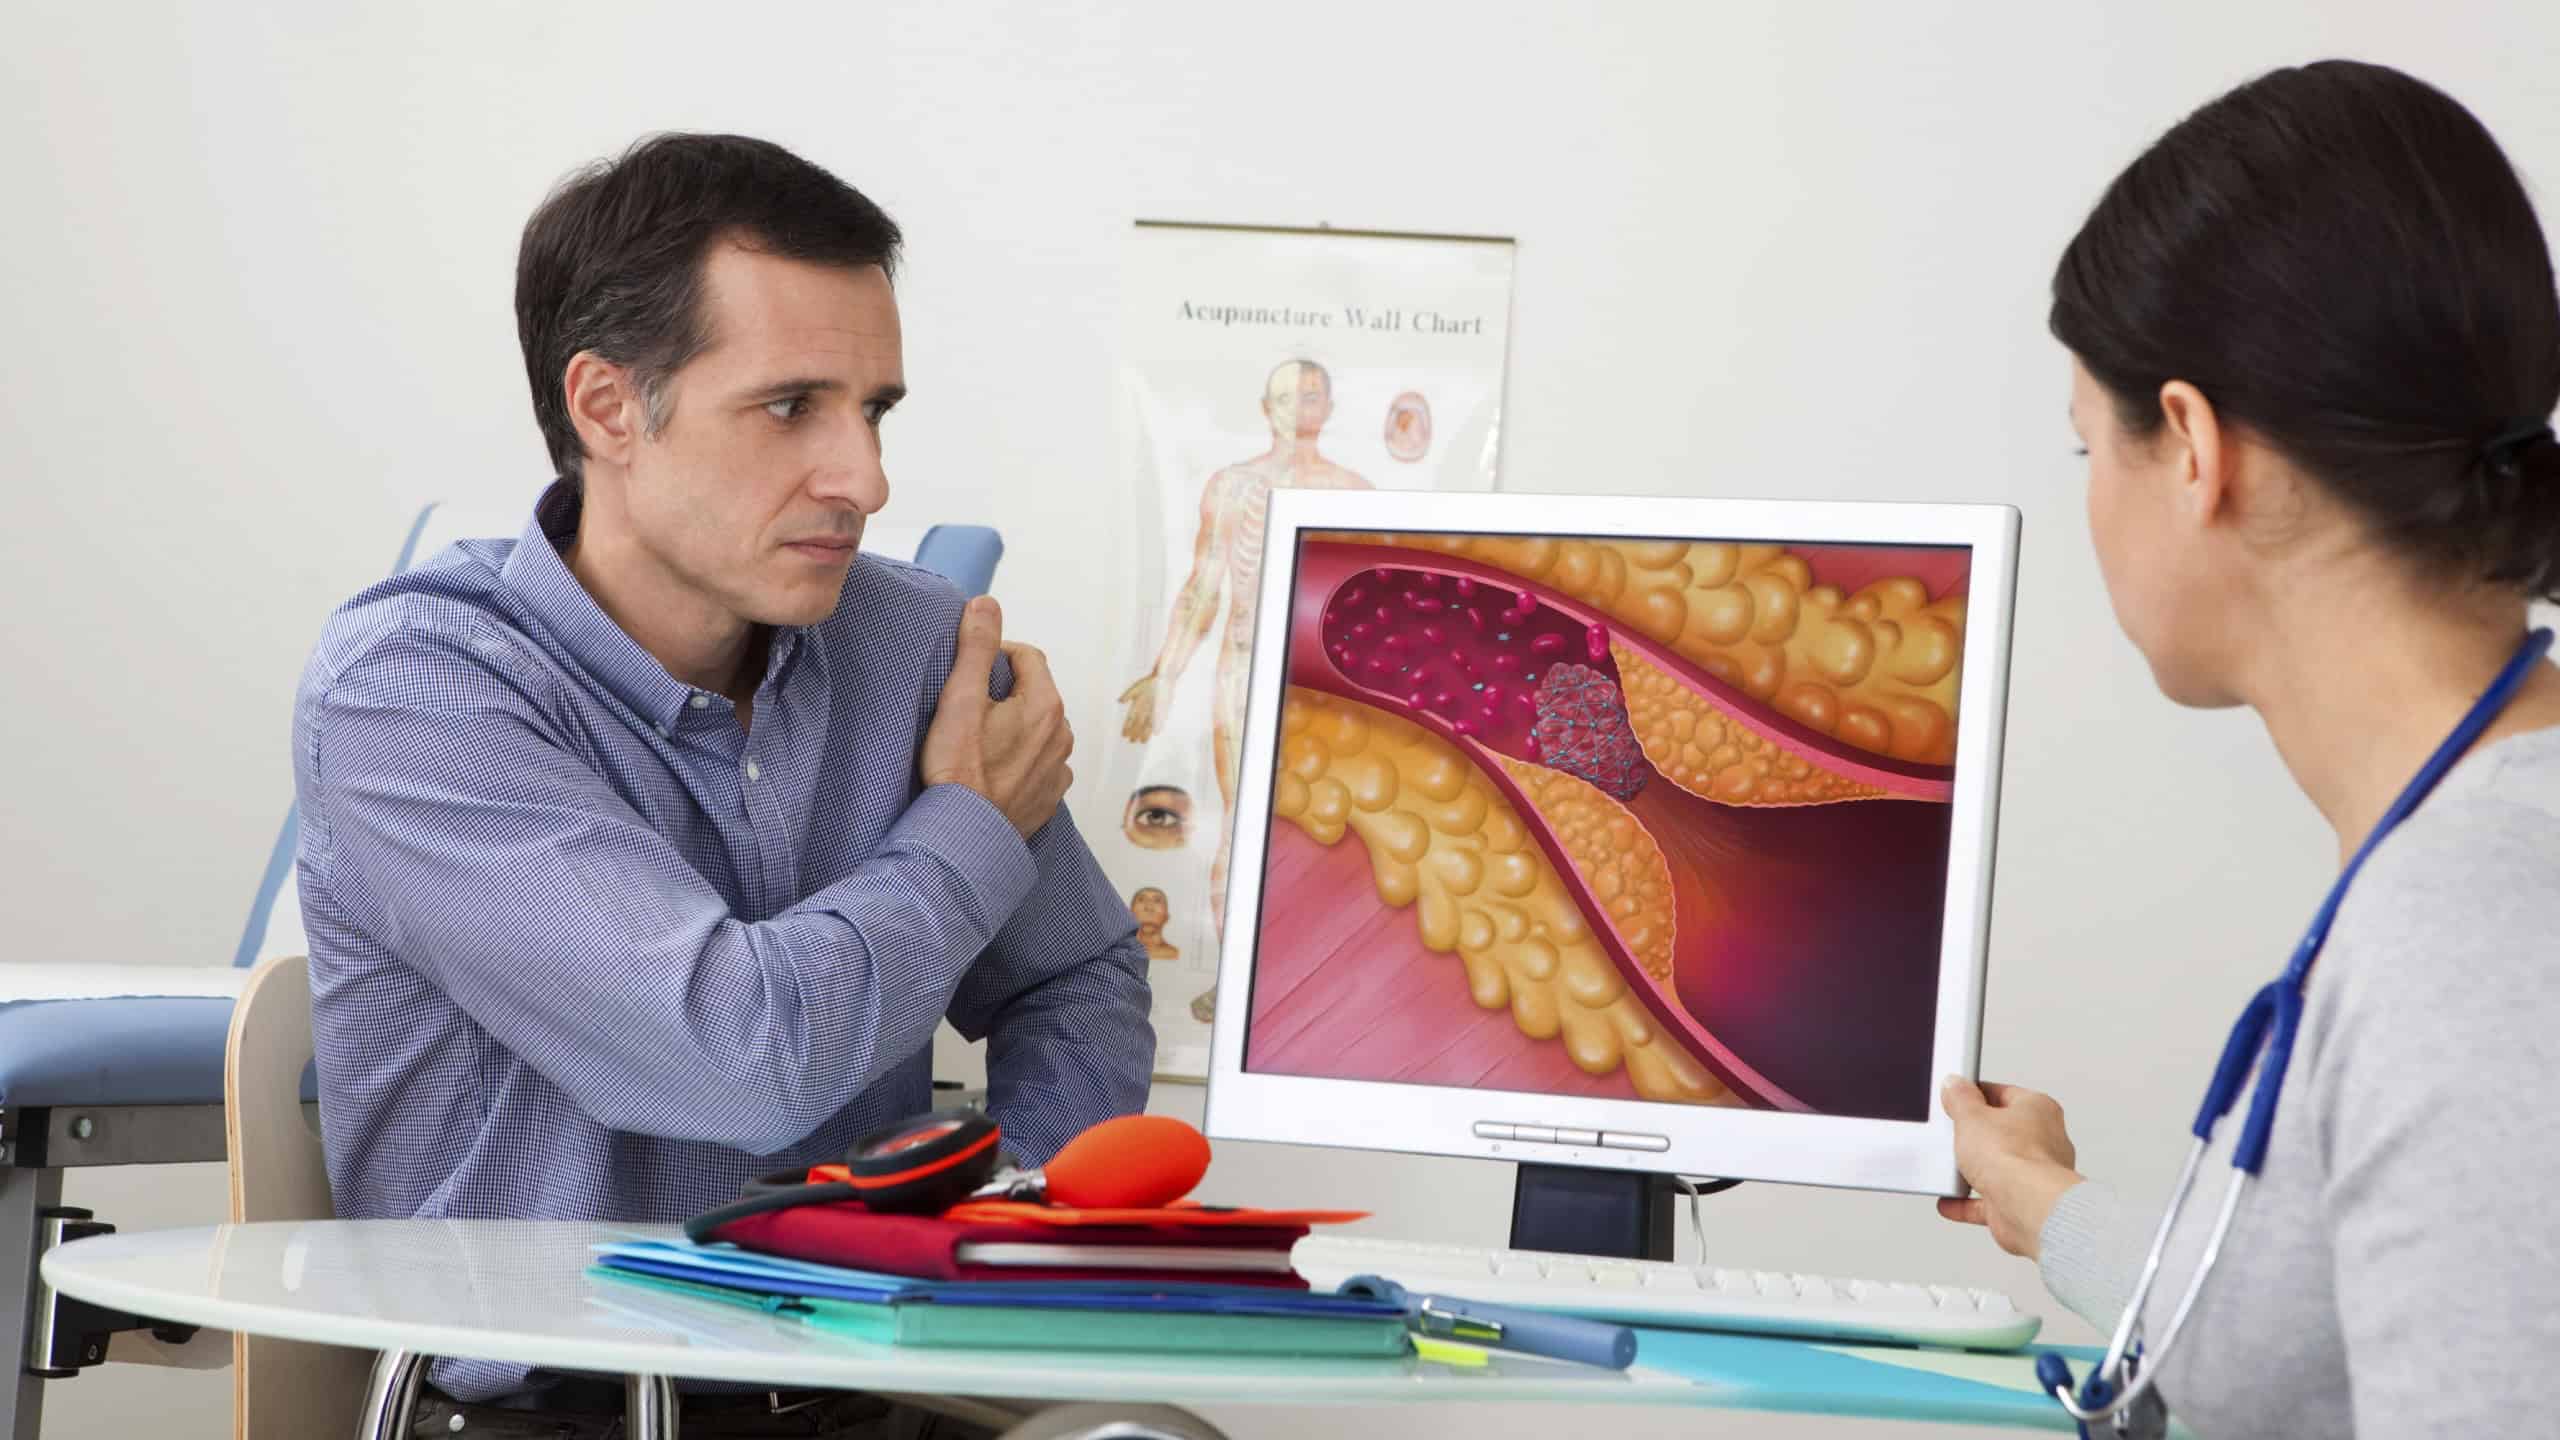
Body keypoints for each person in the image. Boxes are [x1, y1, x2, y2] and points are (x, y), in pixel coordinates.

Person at [290, 133, 1154, 1435]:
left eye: (874, 412)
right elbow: (737, 1060)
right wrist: (972, 828)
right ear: (607, 408)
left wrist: (999, 1230)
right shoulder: (414, 692)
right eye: (791, 406)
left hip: (870, 1397)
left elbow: (1076, 976)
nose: (865, 480)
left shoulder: (913, 643)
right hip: (555, 1413)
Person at [1939, 61, 2560, 1438]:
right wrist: (2041, 1200)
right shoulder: (2467, 858)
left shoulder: (2469, 937)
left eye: (2087, 450)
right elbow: (2322, 1329)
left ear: (2191, 447)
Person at [1118, 359, 1371, 1019]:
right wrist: (1164, 674)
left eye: (1312, 393)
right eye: (1287, 394)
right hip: (1244, 670)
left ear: (1329, 405)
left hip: (1327, 682)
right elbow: (1203, 587)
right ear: (1266, 406)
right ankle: (1239, 977)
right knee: (1242, 821)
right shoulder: (1233, 487)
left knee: (1328, 826)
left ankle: (1308, 980)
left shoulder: (1355, 492)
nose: (1299, 404)